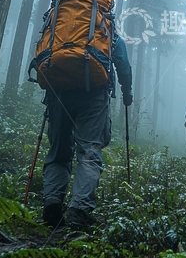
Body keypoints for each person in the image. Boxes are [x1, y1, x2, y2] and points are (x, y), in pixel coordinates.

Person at [41, 31, 132, 229]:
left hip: (58, 91)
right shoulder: (108, 30)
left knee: (58, 151)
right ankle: (78, 211)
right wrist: (127, 92)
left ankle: (52, 203)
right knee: (89, 152)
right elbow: (123, 64)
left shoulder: (58, 23)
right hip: (93, 94)